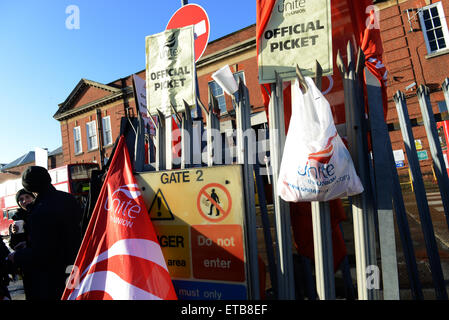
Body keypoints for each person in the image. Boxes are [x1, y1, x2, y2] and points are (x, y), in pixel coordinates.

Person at [8, 166, 83, 300]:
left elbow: (43, 252)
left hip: (52, 276)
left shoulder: (39, 211)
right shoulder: (69, 199)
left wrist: (18, 256)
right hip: (74, 265)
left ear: (29, 188)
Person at [7, 189, 35, 300]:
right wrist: (13, 233)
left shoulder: (39, 212)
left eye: (27, 197)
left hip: (41, 260)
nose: (24, 201)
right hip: (26, 264)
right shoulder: (17, 218)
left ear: (33, 198)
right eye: (21, 199)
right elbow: (13, 245)